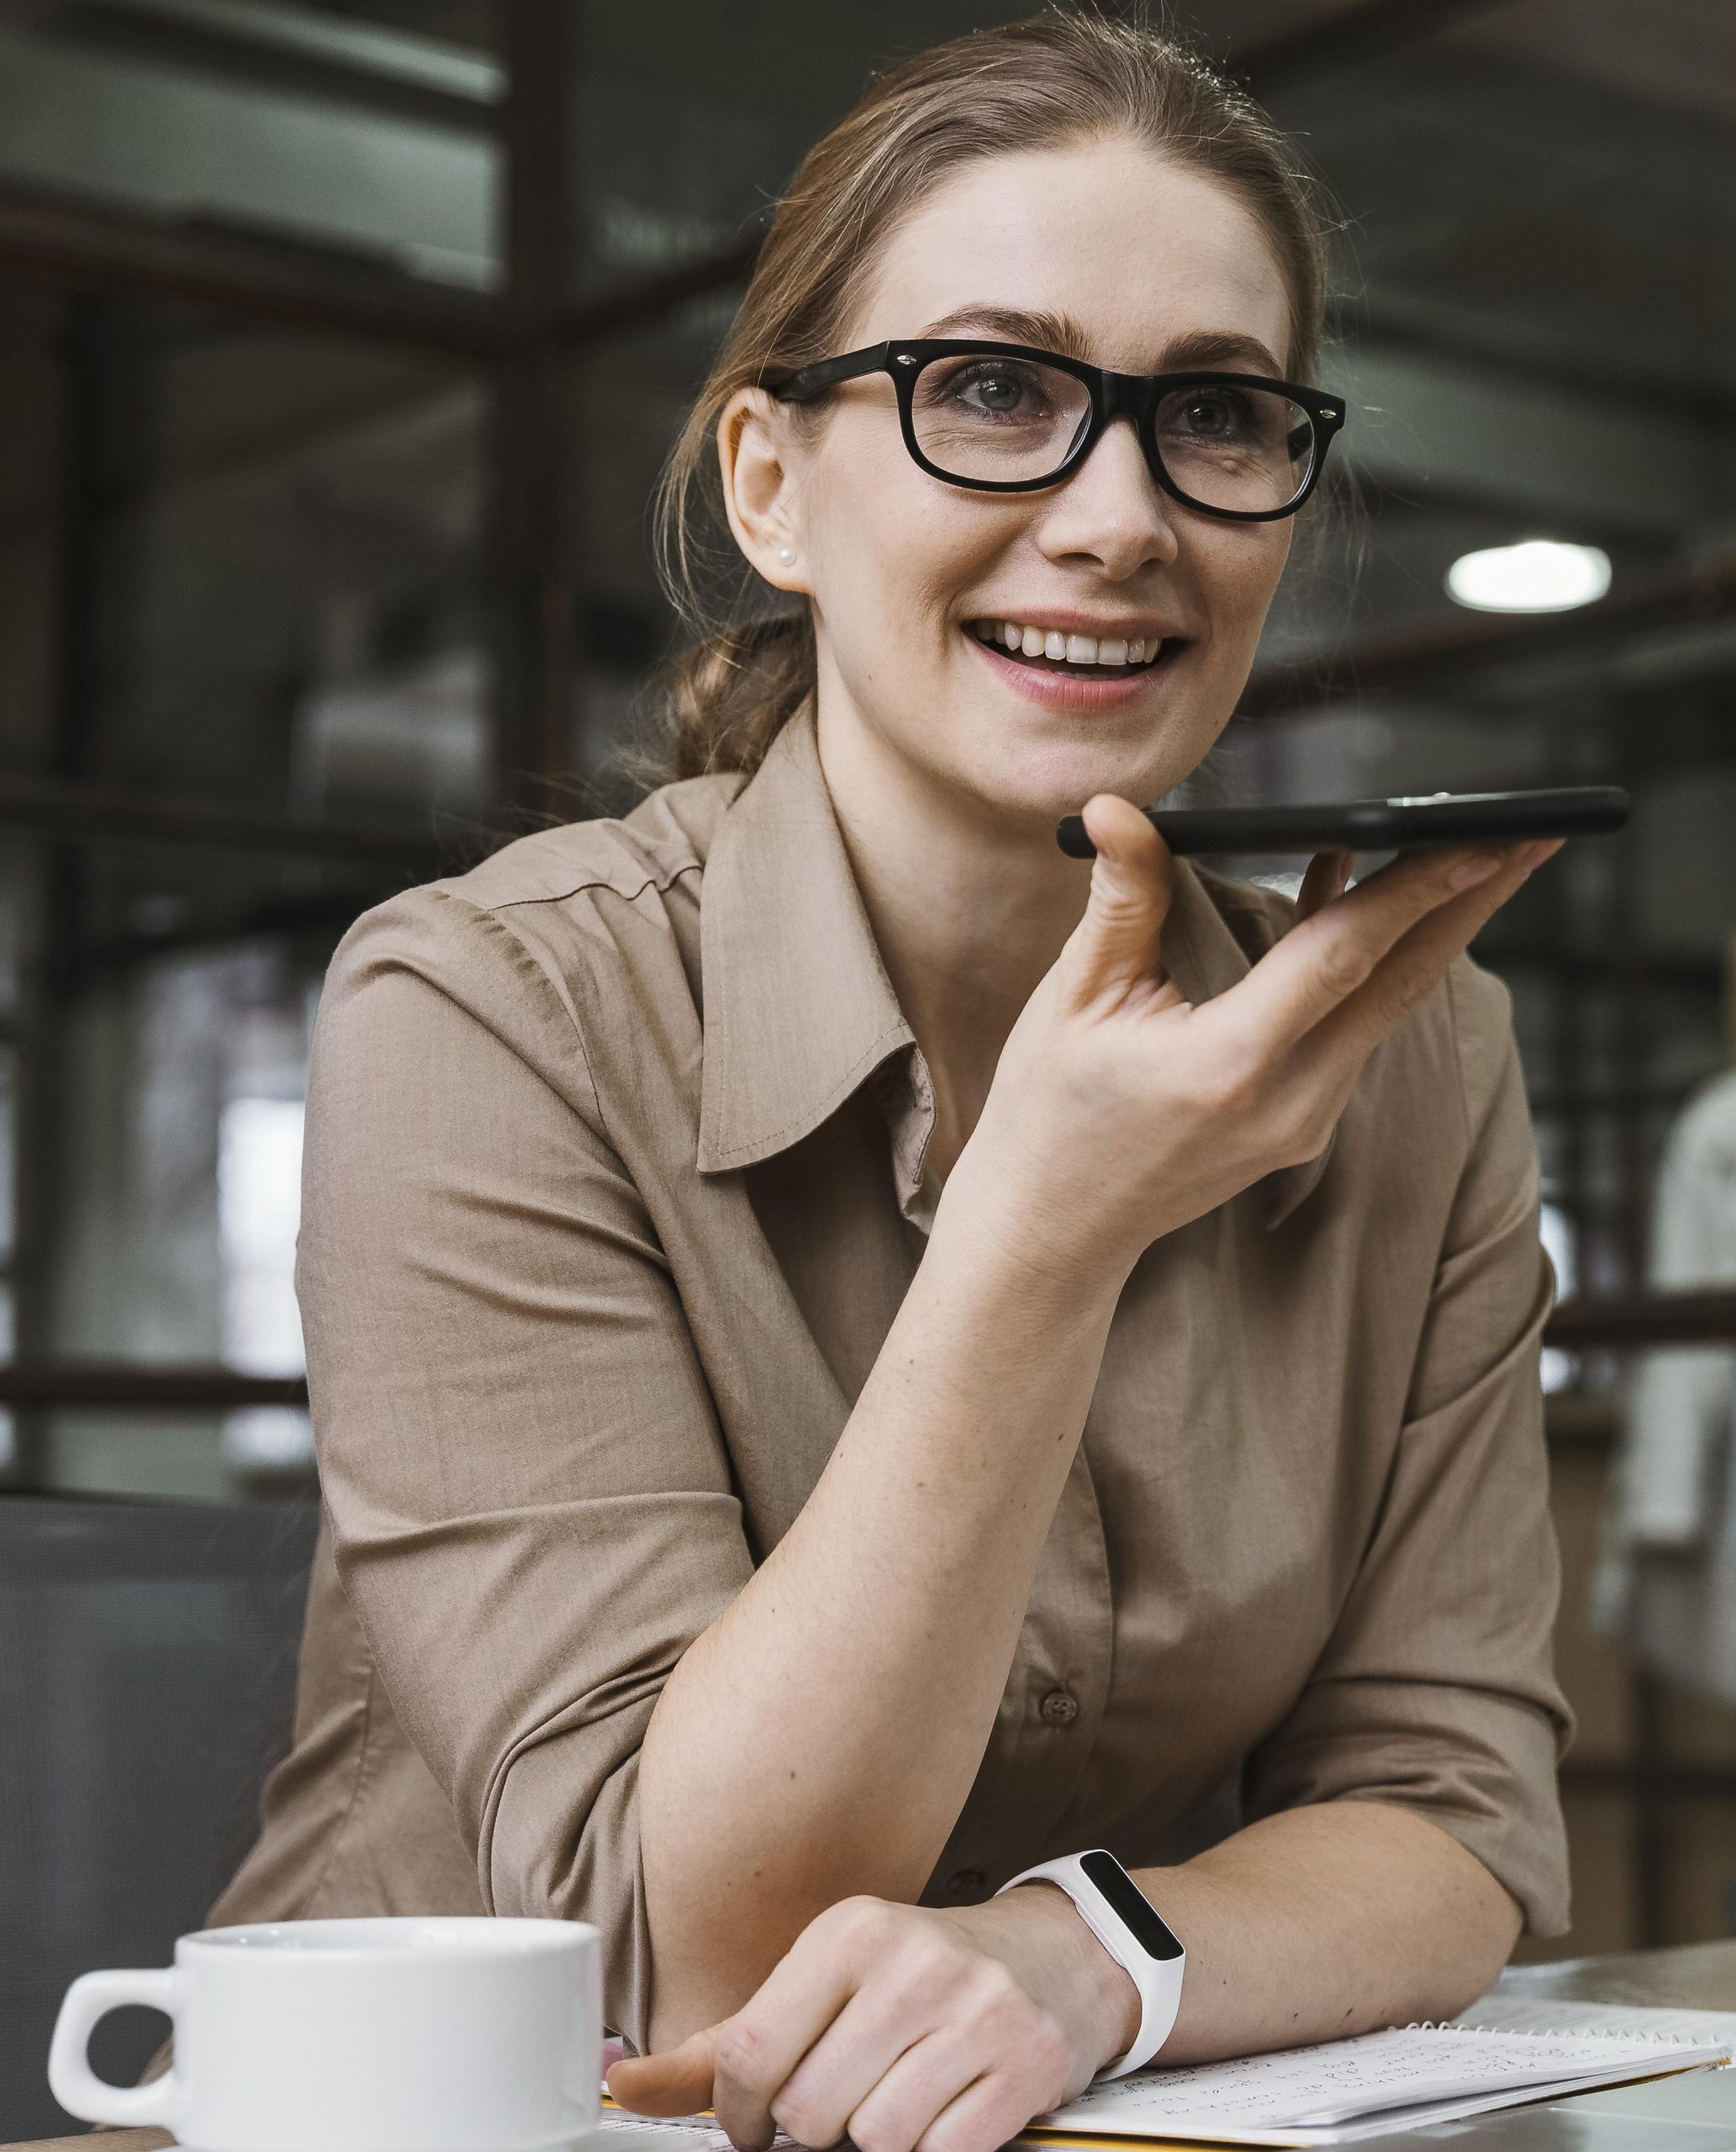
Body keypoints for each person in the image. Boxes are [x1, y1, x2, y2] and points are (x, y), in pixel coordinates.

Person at [208, 15, 1574, 2152]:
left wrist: (1081, 1952)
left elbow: (1449, 1817)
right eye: (994, 392)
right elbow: (699, 1955)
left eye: (1211, 415)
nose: (1118, 517)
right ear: (772, 483)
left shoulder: (1411, 1051)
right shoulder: (489, 1008)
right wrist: (1047, 1223)